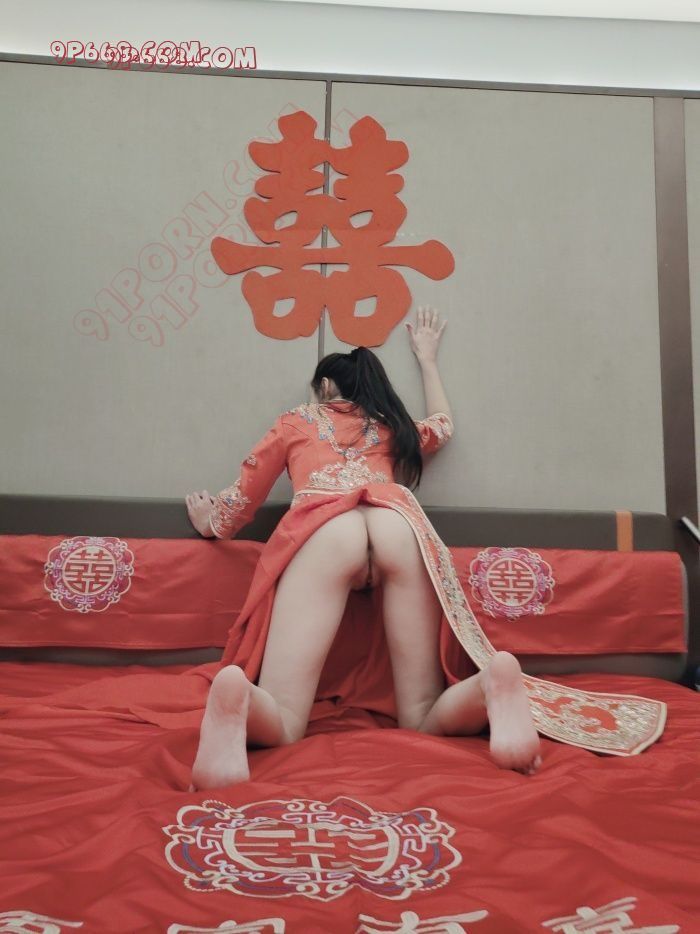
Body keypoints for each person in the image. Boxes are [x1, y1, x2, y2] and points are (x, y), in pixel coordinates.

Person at [185, 306, 667, 791]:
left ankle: (239, 697)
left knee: (287, 717)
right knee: (419, 713)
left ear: (325, 387)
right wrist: (427, 358)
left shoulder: (296, 420)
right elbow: (442, 425)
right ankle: (489, 684)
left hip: (327, 528)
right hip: (398, 523)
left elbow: (241, 499)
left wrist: (210, 522)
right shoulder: (389, 423)